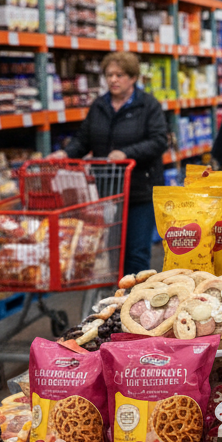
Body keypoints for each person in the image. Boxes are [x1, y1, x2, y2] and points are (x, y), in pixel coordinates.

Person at [50, 51, 168, 275]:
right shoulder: (99, 106)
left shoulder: (148, 105)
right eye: (109, 75)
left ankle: (136, 300)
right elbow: (84, 138)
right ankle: (118, 299)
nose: (113, 79)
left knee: (136, 252)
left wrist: (127, 153)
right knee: (112, 250)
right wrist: (65, 154)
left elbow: (159, 141)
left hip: (140, 190)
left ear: (133, 78)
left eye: (120, 75)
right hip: (107, 191)